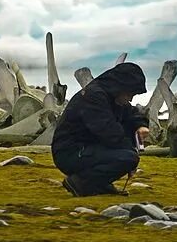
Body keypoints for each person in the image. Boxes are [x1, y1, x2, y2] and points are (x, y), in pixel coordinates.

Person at [51, 62, 150, 196]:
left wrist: (140, 126)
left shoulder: (112, 96)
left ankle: (98, 183)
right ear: (120, 86)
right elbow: (108, 132)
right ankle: (81, 183)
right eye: (129, 93)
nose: (131, 98)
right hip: (70, 152)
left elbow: (131, 114)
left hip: (84, 148)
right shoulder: (94, 96)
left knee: (128, 150)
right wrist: (131, 154)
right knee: (128, 158)